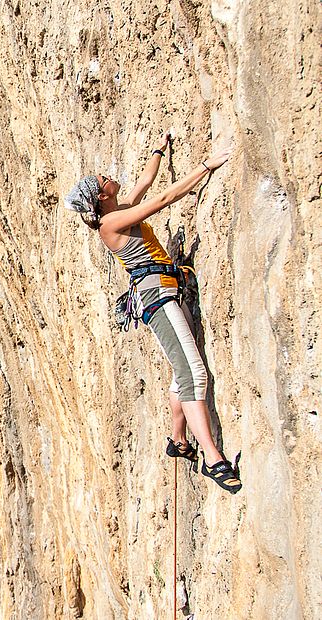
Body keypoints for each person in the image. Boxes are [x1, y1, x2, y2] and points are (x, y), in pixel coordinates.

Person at [65, 133, 241, 494]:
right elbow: (162, 199)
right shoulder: (110, 225)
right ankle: (212, 457)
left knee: (183, 372)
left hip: (165, 291)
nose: (107, 176)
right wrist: (207, 165)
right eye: (102, 178)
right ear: (102, 195)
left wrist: (159, 150)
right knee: (193, 373)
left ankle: (178, 440)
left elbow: (148, 182)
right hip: (157, 298)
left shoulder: (119, 209)